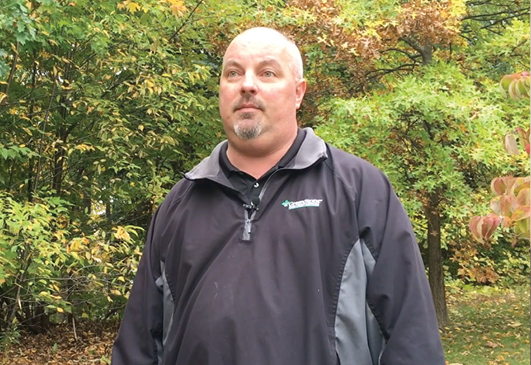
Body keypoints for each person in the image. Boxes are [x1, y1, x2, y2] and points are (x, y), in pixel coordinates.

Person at [111, 27, 445, 365]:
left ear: (298, 93)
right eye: (233, 73)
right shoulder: (180, 203)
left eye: (267, 72)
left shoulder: (360, 190)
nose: (247, 85)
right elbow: (139, 346)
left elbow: (411, 337)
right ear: (221, 91)